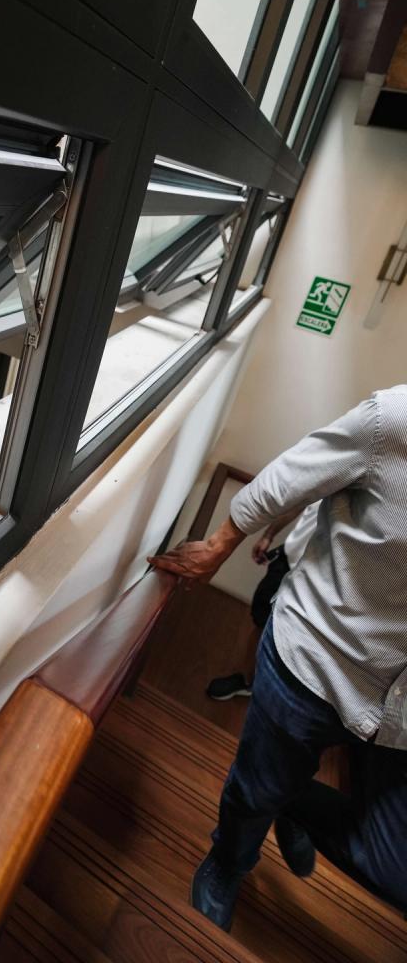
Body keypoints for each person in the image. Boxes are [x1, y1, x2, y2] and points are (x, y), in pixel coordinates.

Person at [149, 387, 407, 931]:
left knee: (394, 866)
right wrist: (218, 544)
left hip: (398, 712)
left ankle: (284, 802)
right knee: (255, 791)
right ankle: (228, 861)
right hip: (316, 662)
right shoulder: (393, 419)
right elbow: (292, 474)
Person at [206, 503, 319, 701]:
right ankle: (248, 680)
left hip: (315, 580)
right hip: (288, 559)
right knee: (261, 619)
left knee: (291, 635)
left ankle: (265, 689)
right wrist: (268, 535)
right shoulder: (326, 482)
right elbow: (299, 502)